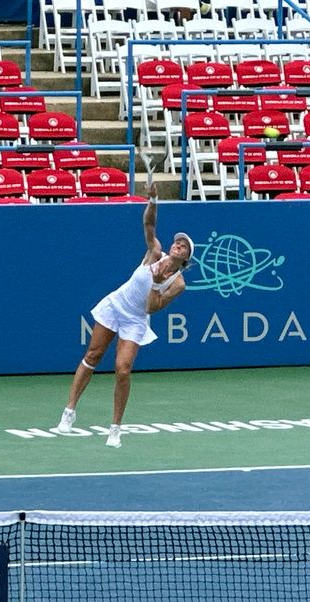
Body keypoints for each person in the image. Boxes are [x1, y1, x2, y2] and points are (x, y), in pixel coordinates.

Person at [55, 181, 193, 447]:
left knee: (123, 369)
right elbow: (149, 224)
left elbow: (152, 308)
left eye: (184, 245)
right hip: (116, 304)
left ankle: (115, 429)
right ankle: (69, 412)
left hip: (136, 319)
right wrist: (153, 201)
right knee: (93, 355)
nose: (178, 244)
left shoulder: (178, 283)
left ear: (186, 258)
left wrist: (155, 283)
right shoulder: (155, 253)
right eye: (177, 241)